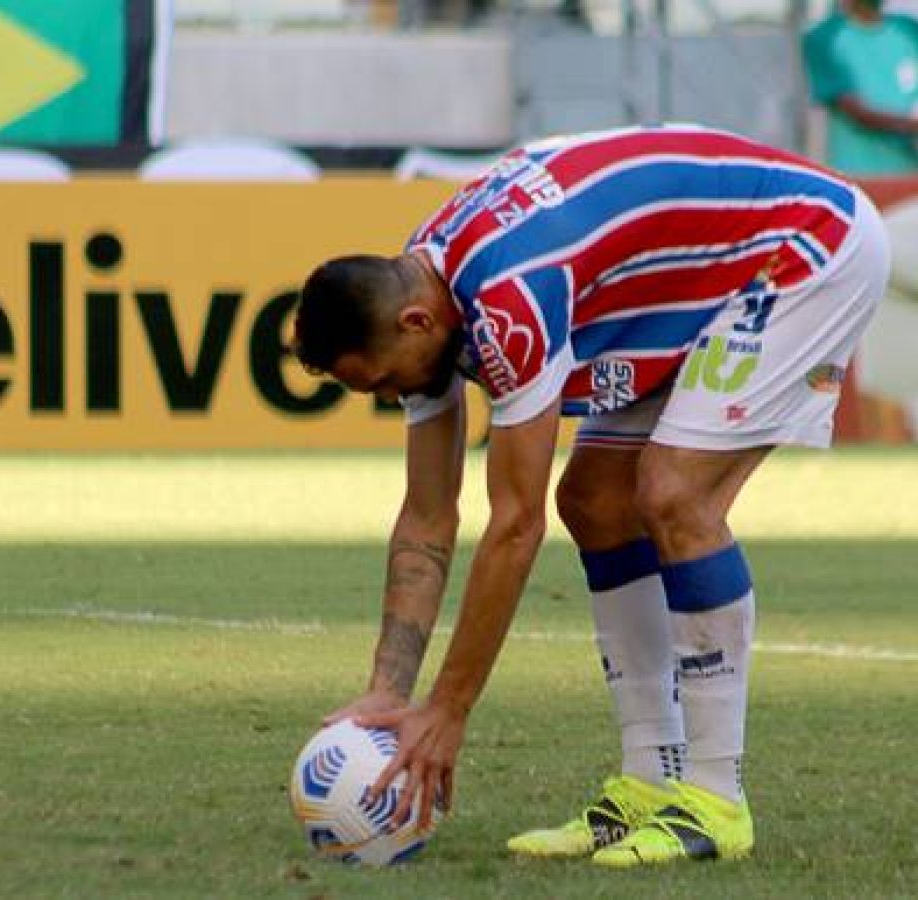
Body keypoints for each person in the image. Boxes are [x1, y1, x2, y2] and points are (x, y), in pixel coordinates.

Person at [292, 124, 888, 866]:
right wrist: (389, 689)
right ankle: (650, 777)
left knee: (675, 497)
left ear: (416, 323)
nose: (389, 396)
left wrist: (448, 710)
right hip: (690, 285)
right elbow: (427, 513)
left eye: (382, 381)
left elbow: (514, 526)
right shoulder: (423, 295)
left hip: (805, 249)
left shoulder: (505, 301)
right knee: (597, 502)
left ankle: (714, 799)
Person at [803, 0, 918, 175]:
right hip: (861, 176)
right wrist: (911, 125)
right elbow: (857, 112)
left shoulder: (908, 28)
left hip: (910, 175)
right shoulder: (824, 37)